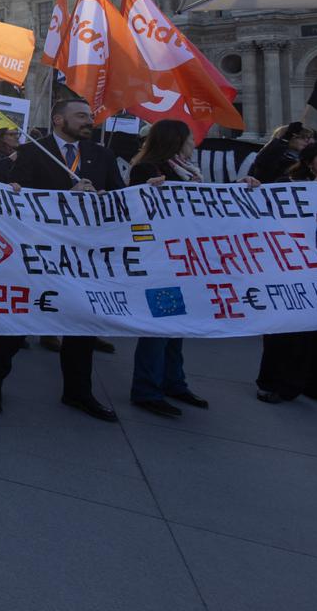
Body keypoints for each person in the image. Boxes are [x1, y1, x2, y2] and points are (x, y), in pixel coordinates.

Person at [6, 98, 123, 422]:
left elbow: (118, 195)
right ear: (59, 120)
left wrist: (105, 198)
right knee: (18, 322)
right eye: (81, 116)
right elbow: (16, 197)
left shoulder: (102, 154)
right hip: (41, 250)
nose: (89, 121)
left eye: (90, 116)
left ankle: (78, 391)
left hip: (84, 254)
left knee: (81, 325)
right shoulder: (32, 151)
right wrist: (64, 199)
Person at [126, 119, 216, 417]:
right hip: (159, 260)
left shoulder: (189, 172)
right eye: (191, 139)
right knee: (158, 328)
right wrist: (147, 194)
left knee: (177, 327)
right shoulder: (146, 169)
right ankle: (146, 389)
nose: (195, 144)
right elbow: (134, 212)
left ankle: (174, 382)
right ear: (176, 141)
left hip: (183, 259)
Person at [255, 140, 317, 403]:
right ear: (308, 162)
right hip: (290, 269)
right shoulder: (288, 184)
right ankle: (272, 383)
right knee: (286, 331)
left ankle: (314, 384)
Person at [250, 122, 316, 184]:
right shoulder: (272, 155)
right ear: (290, 137)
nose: (307, 141)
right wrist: (285, 138)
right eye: (302, 137)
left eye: (308, 138)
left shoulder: (300, 159)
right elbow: (266, 162)